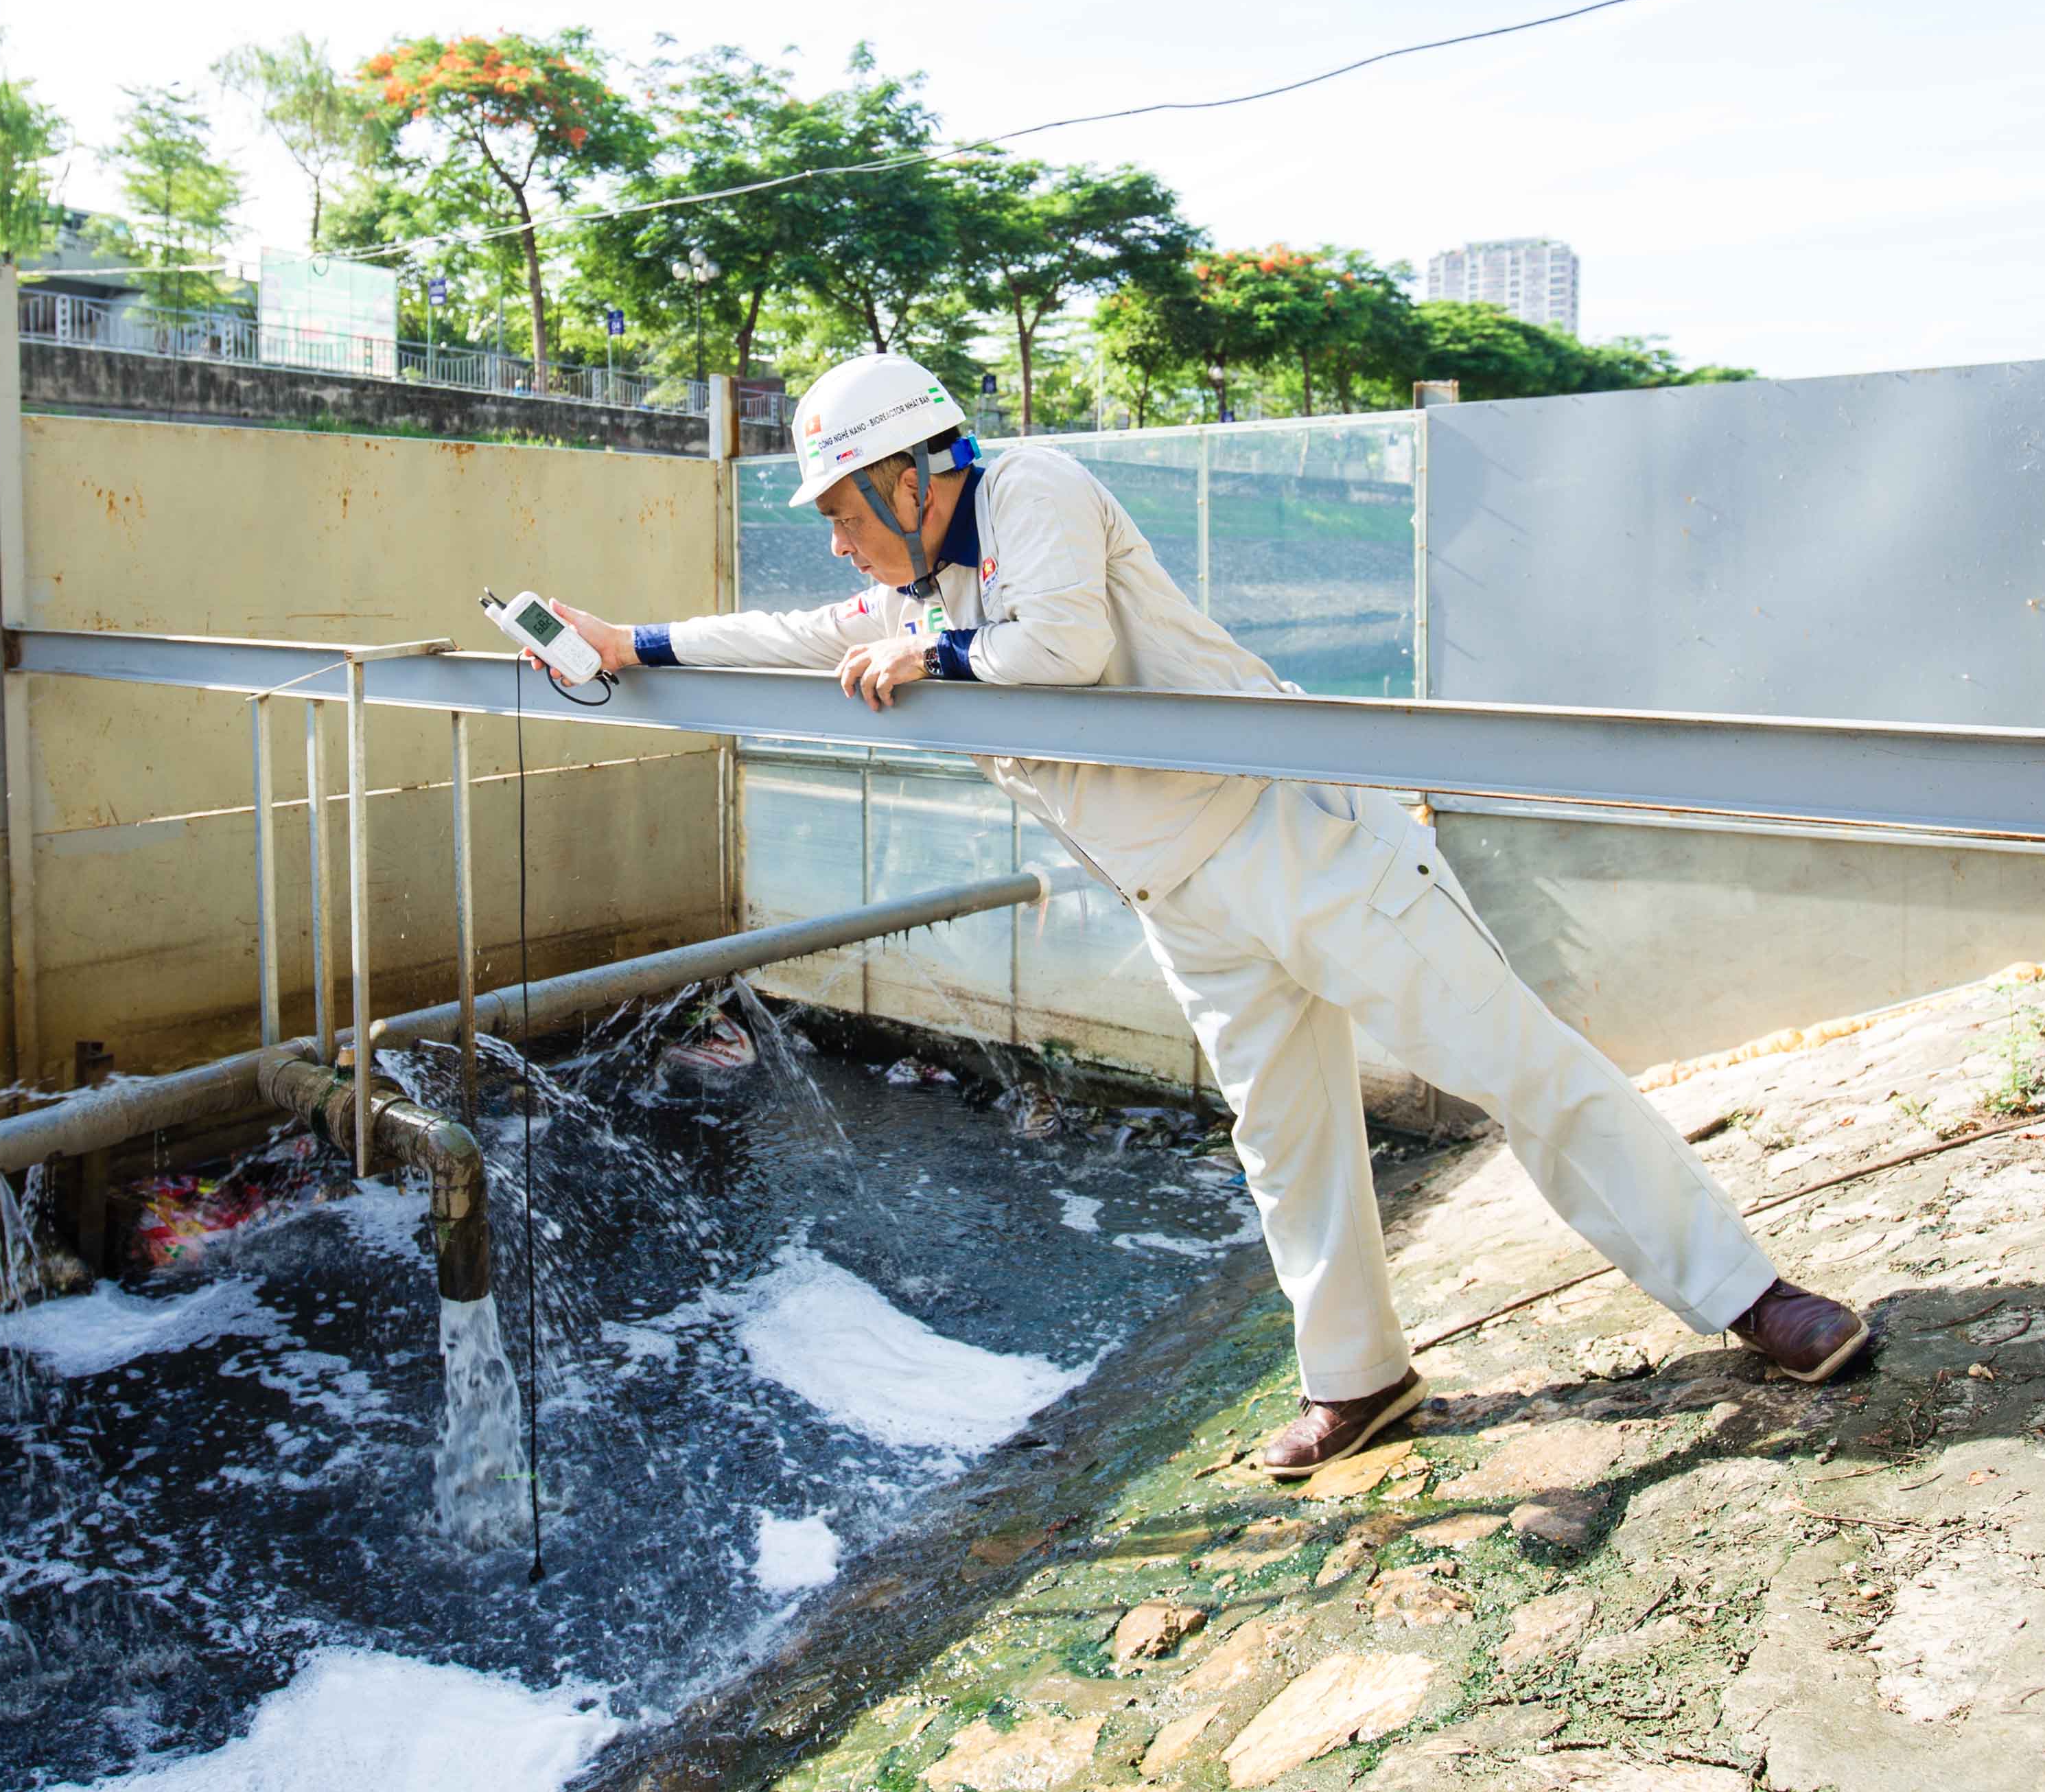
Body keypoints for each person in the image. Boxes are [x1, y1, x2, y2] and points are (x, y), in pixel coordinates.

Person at [539, 352, 1868, 1478]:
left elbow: (1060, 649)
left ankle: (1751, 1299)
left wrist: (928, 656)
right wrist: (630, 645)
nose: (836, 537)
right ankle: (1360, 1381)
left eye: (842, 506)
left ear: (909, 473)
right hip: (1183, 891)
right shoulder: (922, 584)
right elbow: (803, 631)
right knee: (1286, 1141)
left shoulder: (1030, 488)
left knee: (1514, 1066)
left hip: (1294, 834)